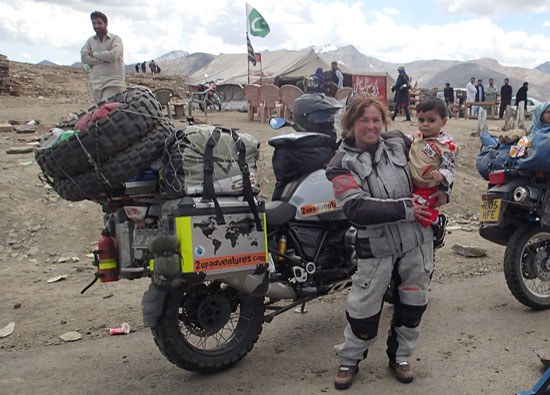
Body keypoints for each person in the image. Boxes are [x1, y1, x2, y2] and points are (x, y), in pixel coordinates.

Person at [326, 96, 448, 390]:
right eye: (364, 120)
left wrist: (444, 186)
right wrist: (405, 208)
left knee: (413, 304)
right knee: (363, 308)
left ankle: (401, 358)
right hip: (376, 244)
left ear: (384, 122)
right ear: (351, 124)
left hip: (417, 239)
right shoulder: (339, 163)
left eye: (376, 120)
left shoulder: (398, 141)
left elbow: (430, 161)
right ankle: (349, 360)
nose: (371, 126)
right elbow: (355, 208)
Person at [409, 99, 456, 229]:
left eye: (431, 120)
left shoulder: (445, 146)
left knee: (419, 209)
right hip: (413, 183)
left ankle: (437, 222)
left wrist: (442, 175)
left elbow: (450, 167)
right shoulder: (415, 138)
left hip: (428, 187)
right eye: (421, 120)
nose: (425, 124)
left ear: (444, 122)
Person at [80, 11, 125, 104]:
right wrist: (103, 60)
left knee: (108, 110)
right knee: (99, 112)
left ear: (106, 24)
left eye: (99, 23)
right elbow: (84, 57)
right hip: (96, 82)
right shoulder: (90, 41)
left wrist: (95, 54)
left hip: (113, 82)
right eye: (94, 23)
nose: (96, 26)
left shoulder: (115, 39)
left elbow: (113, 55)